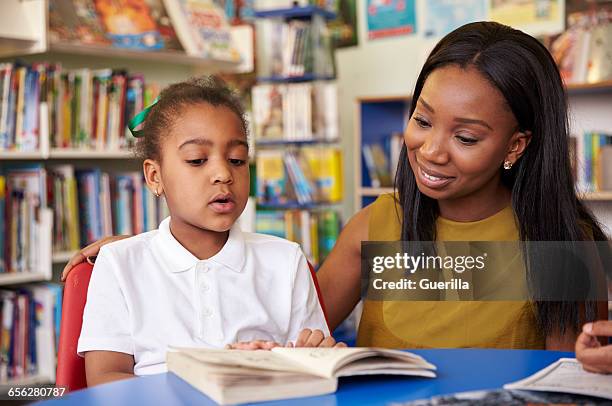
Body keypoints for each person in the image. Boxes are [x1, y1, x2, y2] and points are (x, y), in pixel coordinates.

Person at [65, 22, 608, 353]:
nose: (432, 151)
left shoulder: (561, 243)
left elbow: (564, 390)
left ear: (516, 146)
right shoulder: (378, 225)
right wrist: (158, 252)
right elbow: (287, 325)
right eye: (422, 121)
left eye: (465, 137)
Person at [77, 76, 342, 387]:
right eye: (197, 160)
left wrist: (309, 359)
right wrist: (212, 374)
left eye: (237, 160)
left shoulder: (286, 260)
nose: (222, 174)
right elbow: (104, 379)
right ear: (154, 176)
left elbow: (315, 367)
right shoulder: (120, 264)